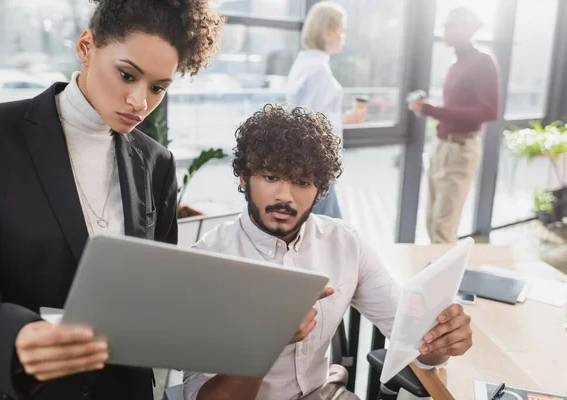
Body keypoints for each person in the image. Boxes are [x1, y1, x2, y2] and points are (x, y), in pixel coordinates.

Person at [0, 1, 223, 399]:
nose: (140, 102)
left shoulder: (157, 163)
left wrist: (253, 325)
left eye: (158, 88)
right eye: (127, 75)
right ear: (86, 47)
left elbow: (154, 295)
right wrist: (15, 336)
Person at [183, 105, 473, 400]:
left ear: (320, 190)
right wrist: (266, 342)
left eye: (302, 182)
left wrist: (440, 343)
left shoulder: (344, 243)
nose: (285, 195)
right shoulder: (209, 261)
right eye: (271, 177)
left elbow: (411, 339)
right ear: (244, 178)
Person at [408, 7, 499, 244]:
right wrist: (428, 108)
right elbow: (458, 108)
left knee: (442, 228)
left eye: (451, 26)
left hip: (460, 150)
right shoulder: (456, 64)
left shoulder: (483, 61)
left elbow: (489, 111)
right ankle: (440, 277)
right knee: (432, 223)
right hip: (442, 148)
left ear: (468, 29)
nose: (445, 30)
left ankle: (446, 280)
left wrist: (430, 110)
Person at [286, 1, 366, 219]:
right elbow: (308, 123)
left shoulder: (304, 63)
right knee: (329, 231)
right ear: (329, 32)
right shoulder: (318, 70)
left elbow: (315, 114)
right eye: (343, 30)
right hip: (315, 166)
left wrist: (346, 118)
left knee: (324, 229)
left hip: (308, 164)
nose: (344, 36)